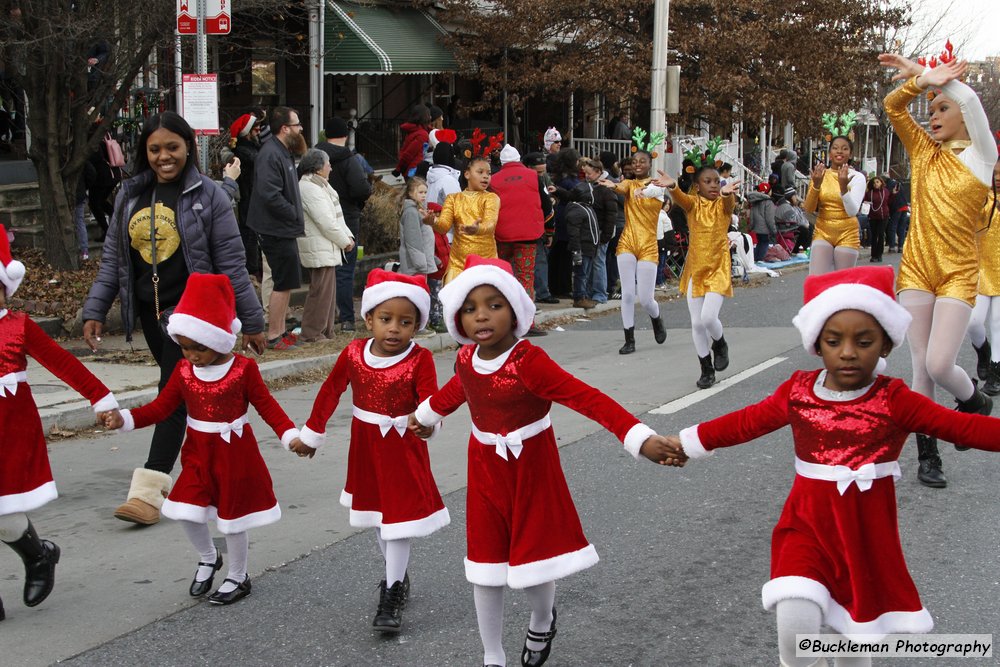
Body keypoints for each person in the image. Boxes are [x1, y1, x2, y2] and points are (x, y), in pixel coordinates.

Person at [667, 266, 1000, 667]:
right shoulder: (798, 391)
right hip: (805, 526)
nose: (847, 352)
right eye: (833, 340)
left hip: (865, 536)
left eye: (863, 341)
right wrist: (688, 441)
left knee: (853, 642)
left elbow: (966, 427)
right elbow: (746, 421)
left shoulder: (896, 399)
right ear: (816, 344)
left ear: (885, 346)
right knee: (795, 627)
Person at [407, 255, 680, 667]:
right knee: (485, 564)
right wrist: (426, 416)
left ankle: (541, 618)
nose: (482, 316)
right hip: (484, 467)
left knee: (535, 556)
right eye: (470, 308)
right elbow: (457, 391)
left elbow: (586, 398)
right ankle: (492, 657)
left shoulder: (528, 361)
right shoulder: (466, 359)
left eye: (494, 305)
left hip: (532, 465)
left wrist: (639, 438)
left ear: (514, 310)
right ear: (458, 319)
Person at [82, 111, 266, 527]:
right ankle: (214, 471)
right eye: (155, 149)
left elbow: (232, 264)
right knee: (185, 398)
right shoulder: (130, 195)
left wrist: (251, 319)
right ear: (144, 153)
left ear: (188, 149)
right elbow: (113, 259)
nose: (164, 156)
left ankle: (148, 492)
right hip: (152, 313)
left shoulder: (209, 195)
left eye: (173, 147)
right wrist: (95, 309)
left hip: (194, 318)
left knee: (171, 394)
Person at [104, 274, 301, 606]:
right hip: (197, 452)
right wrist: (125, 418)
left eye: (200, 347)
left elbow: (267, 406)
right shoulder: (183, 372)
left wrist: (289, 434)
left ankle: (239, 575)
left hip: (234, 453)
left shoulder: (243, 370)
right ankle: (209, 556)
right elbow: (161, 408)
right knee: (186, 510)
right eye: (184, 347)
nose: (192, 355)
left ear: (221, 340)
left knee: (232, 518)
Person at [292, 270, 449, 633]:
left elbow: (430, 398)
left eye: (405, 322)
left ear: (417, 326)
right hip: (366, 447)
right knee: (379, 517)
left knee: (396, 523)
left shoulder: (419, 358)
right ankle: (398, 576)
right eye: (386, 319)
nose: (394, 328)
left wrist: (429, 423)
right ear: (369, 319)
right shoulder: (353, 353)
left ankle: (392, 591)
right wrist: (311, 434)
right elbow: (330, 392)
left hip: (403, 448)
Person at [879, 51, 999, 488]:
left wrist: (934, 78)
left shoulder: (982, 156)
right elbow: (893, 106)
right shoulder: (923, 151)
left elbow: (970, 103)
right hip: (917, 268)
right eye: (929, 109)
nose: (933, 115)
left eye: (941, 107)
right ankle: (928, 455)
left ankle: (974, 401)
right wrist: (917, 82)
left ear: (961, 117)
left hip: (958, 271)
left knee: (941, 361)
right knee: (920, 367)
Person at [0, 236, 120, 621]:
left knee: (6, 513)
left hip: (10, 429)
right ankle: (38, 555)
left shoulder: (18, 326)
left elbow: (62, 363)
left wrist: (101, 398)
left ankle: (38, 556)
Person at [651, 165, 741, 388]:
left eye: (716, 181)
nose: (713, 185)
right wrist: (672, 185)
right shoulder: (692, 205)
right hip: (695, 269)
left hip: (718, 268)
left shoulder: (723, 204)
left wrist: (727, 193)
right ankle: (706, 369)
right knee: (697, 323)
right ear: (697, 186)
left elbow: (729, 204)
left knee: (709, 318)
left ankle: (720, 344)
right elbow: (680, 198)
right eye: (707, 181)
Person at [247, 106, 307, 351]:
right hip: (275, 228)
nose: (300, 128)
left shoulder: (282, 152)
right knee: (282, 281)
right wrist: (292, 212)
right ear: (285, 129)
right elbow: (269, 193)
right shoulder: (271, 154)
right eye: (297, 124)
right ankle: (273, 335)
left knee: (288, 281)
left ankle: (281, 331)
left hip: (283, 227)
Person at [598, 151, 667, 354]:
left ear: (649, 163)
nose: (638, 165)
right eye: (634, 162)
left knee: (646, 299)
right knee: (627, 294)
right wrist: (613, 185)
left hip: (648, 244)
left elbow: (652, 191)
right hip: (627, 242)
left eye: (642, 162)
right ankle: (629, 339)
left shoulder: (658, 184)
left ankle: (656, 318)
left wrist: (642, 192)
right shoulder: (628, 184)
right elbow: (621, 187)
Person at [317, 117, 372, 333]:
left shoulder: (315, 157)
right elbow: (362, 189)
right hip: (347, 217)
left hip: (319, 217)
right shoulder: (350, 160)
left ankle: (325, 317)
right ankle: (347, 318)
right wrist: (357, 203)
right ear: (346, 136)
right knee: (345, 269)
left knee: (323, 268)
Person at [492, 144, 552, 335]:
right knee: (526, 278)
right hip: (528, 235)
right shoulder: (533, 177)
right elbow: (547, 206)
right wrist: (549, 231)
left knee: (504, 279)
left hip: (502, 236)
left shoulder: (493, 180)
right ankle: (526, 323)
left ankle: (504, 322)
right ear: (519, 159)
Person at [297, 148, 355, 343]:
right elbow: (326, 222)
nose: (330, 167)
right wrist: (345, 241)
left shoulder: (319, 185)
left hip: (325, 246)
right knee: (320, 292)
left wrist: (347, 236)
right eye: (328, 163)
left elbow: (335, 218)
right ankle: (312, 332)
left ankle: (325, 330)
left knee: (327, 293)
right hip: (319, 246)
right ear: (318, 167)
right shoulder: (310, 188)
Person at [432, 156, 500, 283]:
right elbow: (443, 227)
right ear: (467, 174)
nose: (486, 176)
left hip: (486, 262)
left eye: (488, 173)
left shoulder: (491, 198)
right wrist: (433, 221)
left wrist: (477, 229)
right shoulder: (453, 198)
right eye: (480, 172)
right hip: (458, 264)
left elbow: (490, 224)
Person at [804, 137, 865, 274]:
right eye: (835, 148)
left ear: (850, 154)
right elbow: (808, 209)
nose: (840, 151)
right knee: (817, 280)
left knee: (843, 284)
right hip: (823, 230)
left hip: (847, 232)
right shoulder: (820, 175)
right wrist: (816, 185)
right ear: (830, 153)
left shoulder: (857, 177)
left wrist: (843, 188)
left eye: (845, 148)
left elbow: (852, 211)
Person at [966, 156, 1000, 395]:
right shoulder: (981, 199)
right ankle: (983, 350)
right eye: (994, 173)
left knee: (998, 324)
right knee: (973, 322)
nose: (998, 177)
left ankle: (996, 373)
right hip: (981, 270)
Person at [566, 158, 617, 308]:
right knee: (591, 264)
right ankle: (589, 293)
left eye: (588, 173)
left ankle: (600, 294)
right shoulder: (590, 187)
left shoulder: (605, 189)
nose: (586, 176)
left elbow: (611, 214)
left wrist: (605, 235)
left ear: (598, 172)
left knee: (598, 263)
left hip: (600, 232)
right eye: (584, 173)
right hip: (592, 230)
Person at [229, 113, 262, 277]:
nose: (259, 132)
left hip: (253, 196)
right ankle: (252, 268)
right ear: (247, 132)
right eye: (255, 129)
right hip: (248, 197)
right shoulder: (244, 151)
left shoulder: (252, 148)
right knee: (249, 233)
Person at [397, 176, 436, 283]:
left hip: (420, 264)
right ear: (410, 193)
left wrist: (433, 259)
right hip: (415, 267)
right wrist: (422, 264)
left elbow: (425, 240)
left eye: (425, 192)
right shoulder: (411, 212)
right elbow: (413, 241)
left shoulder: (418, 210)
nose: (424, 195)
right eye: (420, 192)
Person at [599, 151, 626, 299]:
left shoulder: (611, 181)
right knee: (612, 257)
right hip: (617, 223)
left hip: (611, 223)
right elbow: (624, 201)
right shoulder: (613, 182)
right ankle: (610, 288)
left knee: (607, 257)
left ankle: (607, 288)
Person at [394, 105, 431, 179]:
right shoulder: (422, 134)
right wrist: (398, 169)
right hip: (415, 172)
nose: (430, 117)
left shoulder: (414, 131)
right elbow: (409, 154)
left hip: (412, 171)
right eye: (429, 115)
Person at [746, 182, 777, 263]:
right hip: (765, 228)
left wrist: (751, 226)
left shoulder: (755, 202)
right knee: (764, 242)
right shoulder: (768, 202)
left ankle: (756, 258)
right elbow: (769, 218)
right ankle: (760, 259)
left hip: (756, 227)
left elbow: (752, 215)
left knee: (759, 242)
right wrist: (773, 230)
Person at [864, 175, 891, 262]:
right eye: (874, 182)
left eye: (877, 182)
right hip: (873, 216)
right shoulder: (870, 193)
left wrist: (893, 194)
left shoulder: (885, 192)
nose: (876, 184)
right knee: (874, 235)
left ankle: (879, 254)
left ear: (881, 183)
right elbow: (864, 201)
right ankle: (873, 255)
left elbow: (889, 201)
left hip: (883, 216)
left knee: (881, 234)